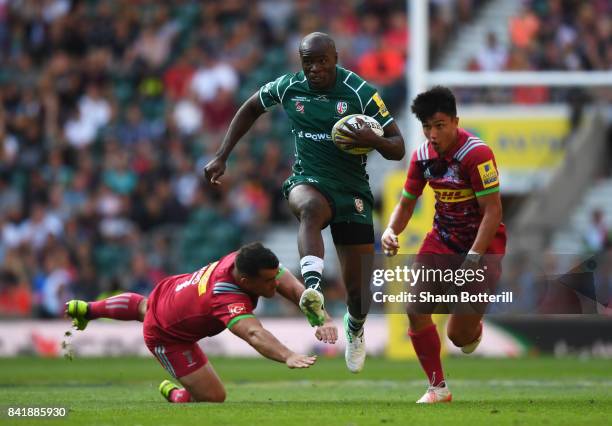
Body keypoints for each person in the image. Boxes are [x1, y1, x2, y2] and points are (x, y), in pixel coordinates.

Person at [204, 32, 405, 373]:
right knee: (309, 208)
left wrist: (372, 139)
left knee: (358, 294)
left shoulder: (360, 91)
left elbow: (398, 145)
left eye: (321, 61)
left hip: (353, 191)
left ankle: (354, 327)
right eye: (307, 62)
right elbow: (251, 106)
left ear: (335, 58)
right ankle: (312, 290)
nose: (314, 68)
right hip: (307, 180)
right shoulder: (289, 86)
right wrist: (223, 155)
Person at [65, 242, 337, 403]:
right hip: (167, 336)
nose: (273, 283)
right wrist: (287, 354)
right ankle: (175, 395)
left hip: (173, 289)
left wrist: (320, 316)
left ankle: (87, 309)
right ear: (245, 281)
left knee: (145, 306)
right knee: (214, 397)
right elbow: (253, 333)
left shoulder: (246, 260)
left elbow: (291, 287)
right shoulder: (226, 296)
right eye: (267, 281)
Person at [381, 86, 506, 403]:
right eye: (426, 127)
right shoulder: (422, 156)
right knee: (415, 308)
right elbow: (407, 203)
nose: (432, 134)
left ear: (455, 121)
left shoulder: (477, 154)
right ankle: (437, 388)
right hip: (442, 239)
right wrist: (391, 230)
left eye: (439, 125)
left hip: (482, 244)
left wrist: (475, 257)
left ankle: (471, 328)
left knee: (458, 336)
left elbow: (493, 211)